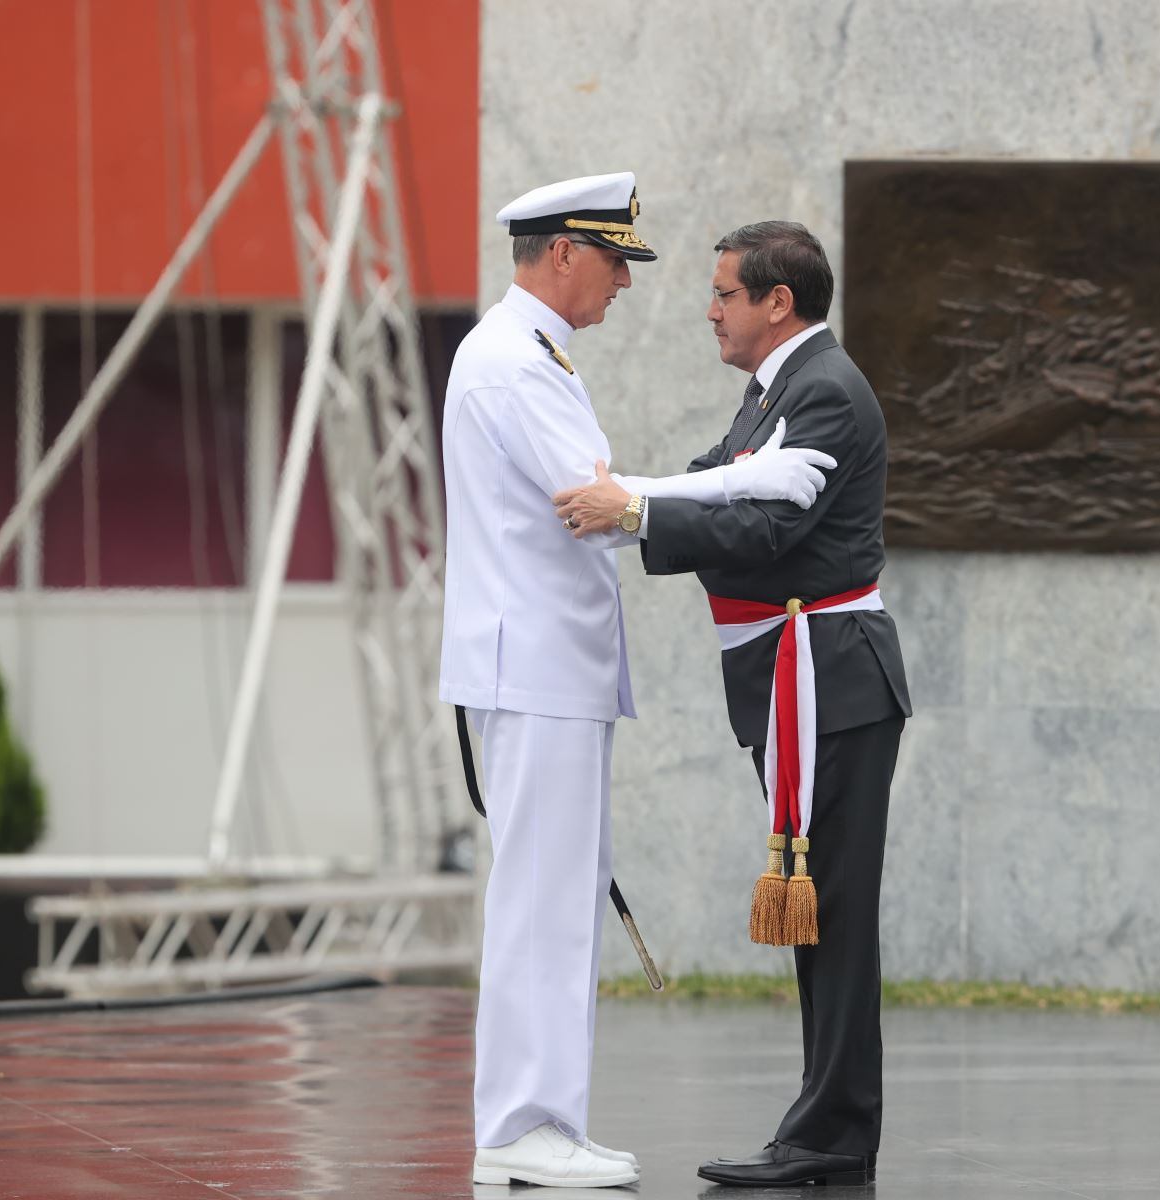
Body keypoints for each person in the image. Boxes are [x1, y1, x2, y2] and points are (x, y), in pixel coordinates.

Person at [439, 177, 835, 1190]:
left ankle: (543, 1120)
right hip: (534, 669)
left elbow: (610, 501)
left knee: (560, 895)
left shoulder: (527, 355)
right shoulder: (513, 365)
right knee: (544, 900)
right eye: (614, 260)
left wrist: (732, 481)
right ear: (563, 253)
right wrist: (753, 479)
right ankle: (525, 1123)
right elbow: (600, 503)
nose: (624, 280)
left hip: (547, 667)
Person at [554, 220, 910, 1188]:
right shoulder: (776, 392)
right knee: (821, 912)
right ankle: (822, 1124)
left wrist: (631, 510)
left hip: (831, 678)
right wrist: (633, 503)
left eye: (724, 294)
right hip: (802, 682)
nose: (710, 311)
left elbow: (761, 524)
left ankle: (831, 1131)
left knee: (834, 912)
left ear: (777, 303)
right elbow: (717, 480)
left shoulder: (824, 392)